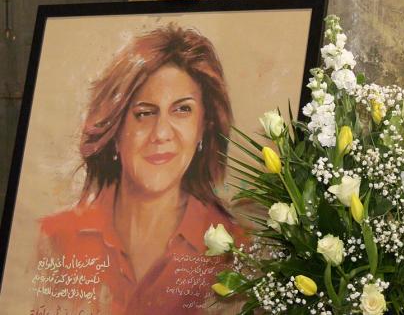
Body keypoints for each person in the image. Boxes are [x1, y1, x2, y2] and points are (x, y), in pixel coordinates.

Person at [33, 25, 245, 314]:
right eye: (144, 113)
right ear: (115, 129)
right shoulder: (54, 238)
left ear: (203, 129)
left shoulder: (238, 249)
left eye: (182, 110)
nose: (161, 133)